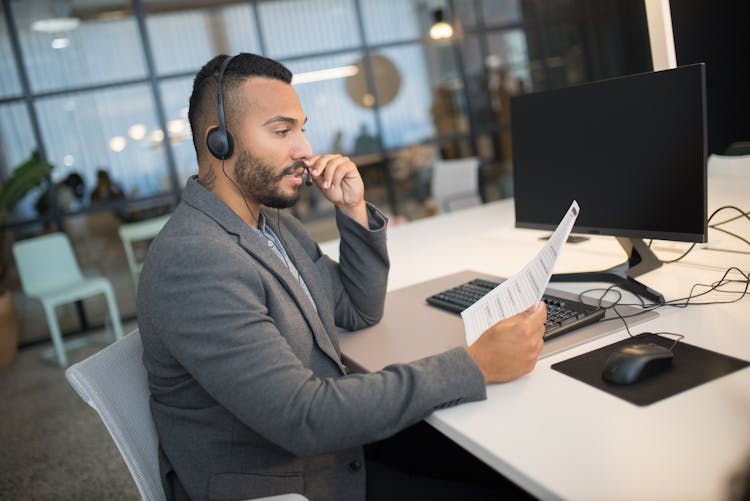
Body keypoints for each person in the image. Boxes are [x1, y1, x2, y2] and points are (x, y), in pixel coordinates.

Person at [137, 53, 547, 501]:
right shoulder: (194, 261)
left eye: (302, 127)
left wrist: (352, 209)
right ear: (220, 143)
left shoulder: (273, 225)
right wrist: (474, 365)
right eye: (282, 131)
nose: (305, 150)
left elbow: (357, 309)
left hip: (336, 452)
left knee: (507, 467)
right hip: (290, 483)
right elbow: (304, 418)